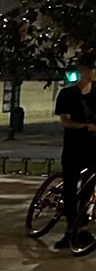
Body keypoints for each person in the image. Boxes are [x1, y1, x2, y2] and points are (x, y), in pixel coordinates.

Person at [53, 52, 96, 250]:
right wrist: (84, 126)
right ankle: (70, 229)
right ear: (83, 70)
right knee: (70, 189)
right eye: (93, 67)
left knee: (88, 188)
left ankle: (83, 227)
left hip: (93, 148)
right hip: (73, 148)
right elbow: (65, 120)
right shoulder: (68, 94)